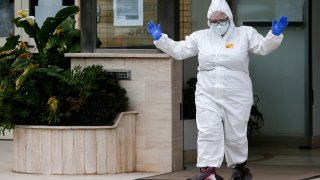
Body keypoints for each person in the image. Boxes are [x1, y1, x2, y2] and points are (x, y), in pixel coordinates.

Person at [147, 0, 288, 179]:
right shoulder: (201, 36)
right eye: (214, 21)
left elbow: (262, 47)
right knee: (207, 131)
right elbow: (180, 50)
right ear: (209, 21)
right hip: (207, 94)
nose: (218, 24)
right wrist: (161, 39)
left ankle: (240, 169)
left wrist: (273, 35)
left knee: (235, 133)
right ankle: (208, 172)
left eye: (222, 20)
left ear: (229, 18)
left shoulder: (244, 34)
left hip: (237, 94)